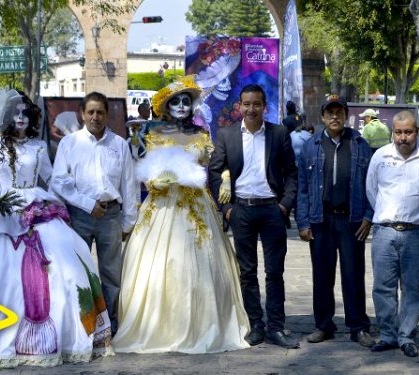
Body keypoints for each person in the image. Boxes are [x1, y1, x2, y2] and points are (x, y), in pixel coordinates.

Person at [0, 90, 113, 368]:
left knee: (68, 264)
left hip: (38, 206)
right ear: (7, 116)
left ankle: (61, 335)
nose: (21, 118)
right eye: (16, 113)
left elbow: (52, 179)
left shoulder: (38, 147)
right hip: (4, 212)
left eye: (25, 113)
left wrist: (75, 198)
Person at [113, 77, 249, 354]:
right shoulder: (154, 135)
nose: (181, 105)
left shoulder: (202, 136)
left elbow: (213, 166)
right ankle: (157, 327)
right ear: (166, 105)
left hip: (196, 207)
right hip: (161, 207)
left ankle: (204, 323)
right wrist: (154, 183)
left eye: (186, 101)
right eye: (175, 101)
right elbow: (145, 171)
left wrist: (224, 176)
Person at [209, 84, 299, 349]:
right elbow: (214, 172)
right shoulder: (226, 135)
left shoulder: (278, 133)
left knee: (275, 272)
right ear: (239, 106)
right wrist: (226, 208)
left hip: (272, 209)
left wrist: (285, 205)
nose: (251, 109)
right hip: (241, 210)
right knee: (247, 272)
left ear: (264, 106)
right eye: (246, 104)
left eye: (256, 104)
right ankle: (255, 325)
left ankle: (276, 327)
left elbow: (291, 173)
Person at [51, 92, 139, 335]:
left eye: (100, 112)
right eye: (90, 112)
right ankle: (84, 326)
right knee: (78, 271)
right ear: (82, 114)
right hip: (80, 216)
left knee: (112, 275)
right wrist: (87, 204)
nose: (95, 117)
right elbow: (59, 181)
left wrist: (128, 222)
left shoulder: (119, 144)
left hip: (111, 216)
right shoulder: (70, 143)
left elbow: (129, 186)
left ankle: (110, 325)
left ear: (107, 114)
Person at [296, 94, 374, 348]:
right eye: (329, 113)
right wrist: (303, 222)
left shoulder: (360, 144)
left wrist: (369, 217)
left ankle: (358, 327)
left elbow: (372, 185)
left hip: (352, 220)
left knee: (353, 275)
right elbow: (303, 188)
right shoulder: (311, 145)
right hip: (321, 220)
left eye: (339, 112)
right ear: (322, 117)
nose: (334, 117)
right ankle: (323, 325)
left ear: (346, 115)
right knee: (322, 276)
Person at [365, 110, 419, 357]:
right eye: (398, 132)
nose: (403, 137)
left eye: (408, 132)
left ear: (417, 132)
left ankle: (406, 336)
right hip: (384, 232)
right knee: (383, 287)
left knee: (412, 288)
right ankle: (387, 335)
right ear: (392, 132)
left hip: (416, 234)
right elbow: (371, 191)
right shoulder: (380, 157)